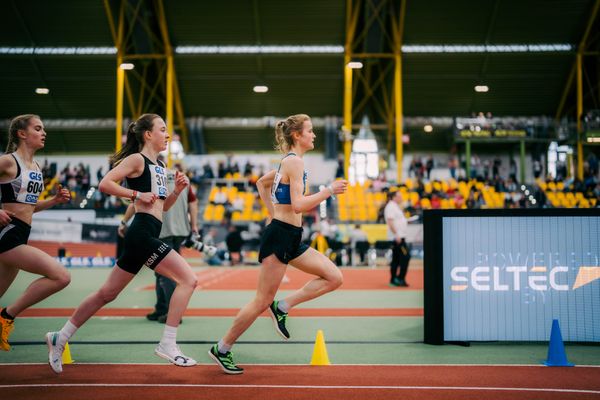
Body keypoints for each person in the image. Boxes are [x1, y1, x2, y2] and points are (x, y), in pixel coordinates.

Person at [45, 113, 198, 373]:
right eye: (163, 129)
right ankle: (168, 344)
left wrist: (177, 192)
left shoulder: (160, 165)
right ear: (148, 134)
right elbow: (105, 184)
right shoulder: (136, 159)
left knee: (107, 294)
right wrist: (136, 193)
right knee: (188, 280)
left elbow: (162, 206)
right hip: (141, 233)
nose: (167, 134)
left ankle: (61, 335)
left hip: (150, 230)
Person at [208, 113, 348, 374]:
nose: (314, 134)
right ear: (297, 135)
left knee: (334, 277)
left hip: (291, 235)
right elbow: (297, 205)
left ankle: (282, 307)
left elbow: (262, 183)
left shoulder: (290, 163)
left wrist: (272, 212)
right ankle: (222, 348)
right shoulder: (294, 163)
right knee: (261, 300)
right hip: (281, 235)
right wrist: (328, 191)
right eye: (310, 130)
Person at [0, 114, 72, 351]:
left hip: (22, 232)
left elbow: (28, 207)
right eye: (38, 129)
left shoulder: (36, 167)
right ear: (22, 134)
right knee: (61, 276)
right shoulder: (9, 162)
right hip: (7, 234)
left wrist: (53, 201)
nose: (44, 133)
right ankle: (7, 316)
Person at [119, 164, 216, 324]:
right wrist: (194, 226)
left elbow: (134, 202)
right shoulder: (182, 176)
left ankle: (172, 313)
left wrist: (123, 222)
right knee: (163, 271)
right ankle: (161, 308)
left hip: (161, 228)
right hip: (181, 229)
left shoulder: (153, 177)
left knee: (166, 272)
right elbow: (193, 202)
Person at [384, 190, 410, 287]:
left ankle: (394, 279)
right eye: (399, 196)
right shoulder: (391, 206)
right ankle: (399, 278)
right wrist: (397, 235)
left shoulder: (395, 206)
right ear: (394, 197)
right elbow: (390, 222)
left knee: (396, 259)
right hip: (397, 238)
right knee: (405, 257)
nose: (401, 198)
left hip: (399, 236)